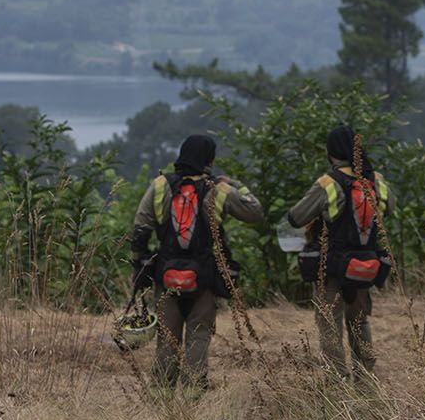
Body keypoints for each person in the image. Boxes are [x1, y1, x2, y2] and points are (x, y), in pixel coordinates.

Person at [130, 135, 263, 390]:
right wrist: (235, 183)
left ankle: (161, 396)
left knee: (167, 338)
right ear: (209, 160)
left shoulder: (160, 185)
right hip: (203, 275)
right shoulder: (218, 190)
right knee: (199, 335)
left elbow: (140, 228)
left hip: (166, 273)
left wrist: (138, 268)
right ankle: (193, 394)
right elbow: (255, 212)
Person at [284, 127, 393, 379]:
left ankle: (337, 383)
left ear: (331, 152)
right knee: (360, 321)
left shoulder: (328, 183)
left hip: (331, 266)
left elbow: (296, 217)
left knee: (329, 325)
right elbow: (390, 208)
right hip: (364, 265)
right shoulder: (376, 180)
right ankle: (365, 378)